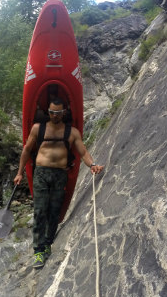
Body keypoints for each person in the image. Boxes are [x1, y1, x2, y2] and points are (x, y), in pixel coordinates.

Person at [14, 97, 104, 268]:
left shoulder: (72, 132)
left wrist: (92, 165)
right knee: (40, 211)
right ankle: (39, 251)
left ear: (64, 112)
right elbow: (26, 150)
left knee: (55, 211)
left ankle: (47, 243)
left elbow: (83, 152)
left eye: (58, 112)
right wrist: (19, 173)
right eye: (52, 112)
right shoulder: (38, 128)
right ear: (47, 112)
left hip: (59, 174)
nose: (55, 115)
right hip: (41, 173)